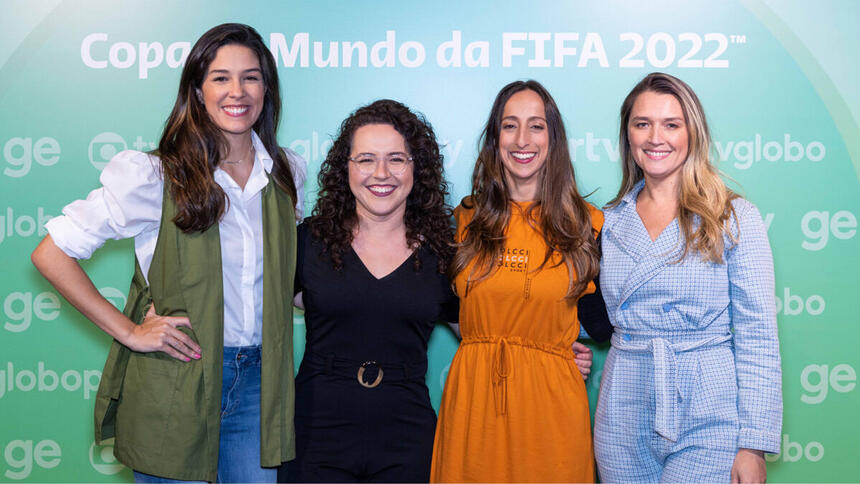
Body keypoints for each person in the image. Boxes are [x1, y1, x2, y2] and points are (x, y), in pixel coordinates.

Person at [30, 23, 305, 483]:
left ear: (267, 88)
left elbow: (283, 281)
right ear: (197, 91)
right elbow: (52, 252)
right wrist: (131, 332)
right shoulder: (154, 175)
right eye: (220, 78)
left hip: (260, 384)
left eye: (251, 77)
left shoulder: (286, 172)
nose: (237, 91)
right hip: (176, 381)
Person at [593, 72, 782, 483]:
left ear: (692, 133)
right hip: (622, 405)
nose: (655, 137)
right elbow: (578, 309)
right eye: (642, 124)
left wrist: (753, 444)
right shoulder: (605, 222)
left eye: (671, 125)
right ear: (628, 135)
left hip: (709, 407)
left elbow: (758, 335)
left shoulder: (734, 217)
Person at [431, 80, 611, 482]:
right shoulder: (464, 220)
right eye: (510, 125)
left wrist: (553, 349)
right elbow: (449, 308)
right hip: (474, 403)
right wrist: (504, 338)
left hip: (551, 407)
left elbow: (604, 326)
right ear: (495, 138)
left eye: (536, 125)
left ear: (554, 138)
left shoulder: (588, 225)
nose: (522, 139)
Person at [277, 99, 458, 482]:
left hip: (406, 438)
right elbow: (247, 305)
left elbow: (487, 334)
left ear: (416, 169)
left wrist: (554, 349)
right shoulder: (307, 241)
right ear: (346, 168)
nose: (381, 173)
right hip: (316, 433)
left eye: (396, 159)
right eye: (365, 159)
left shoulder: (444, 252)